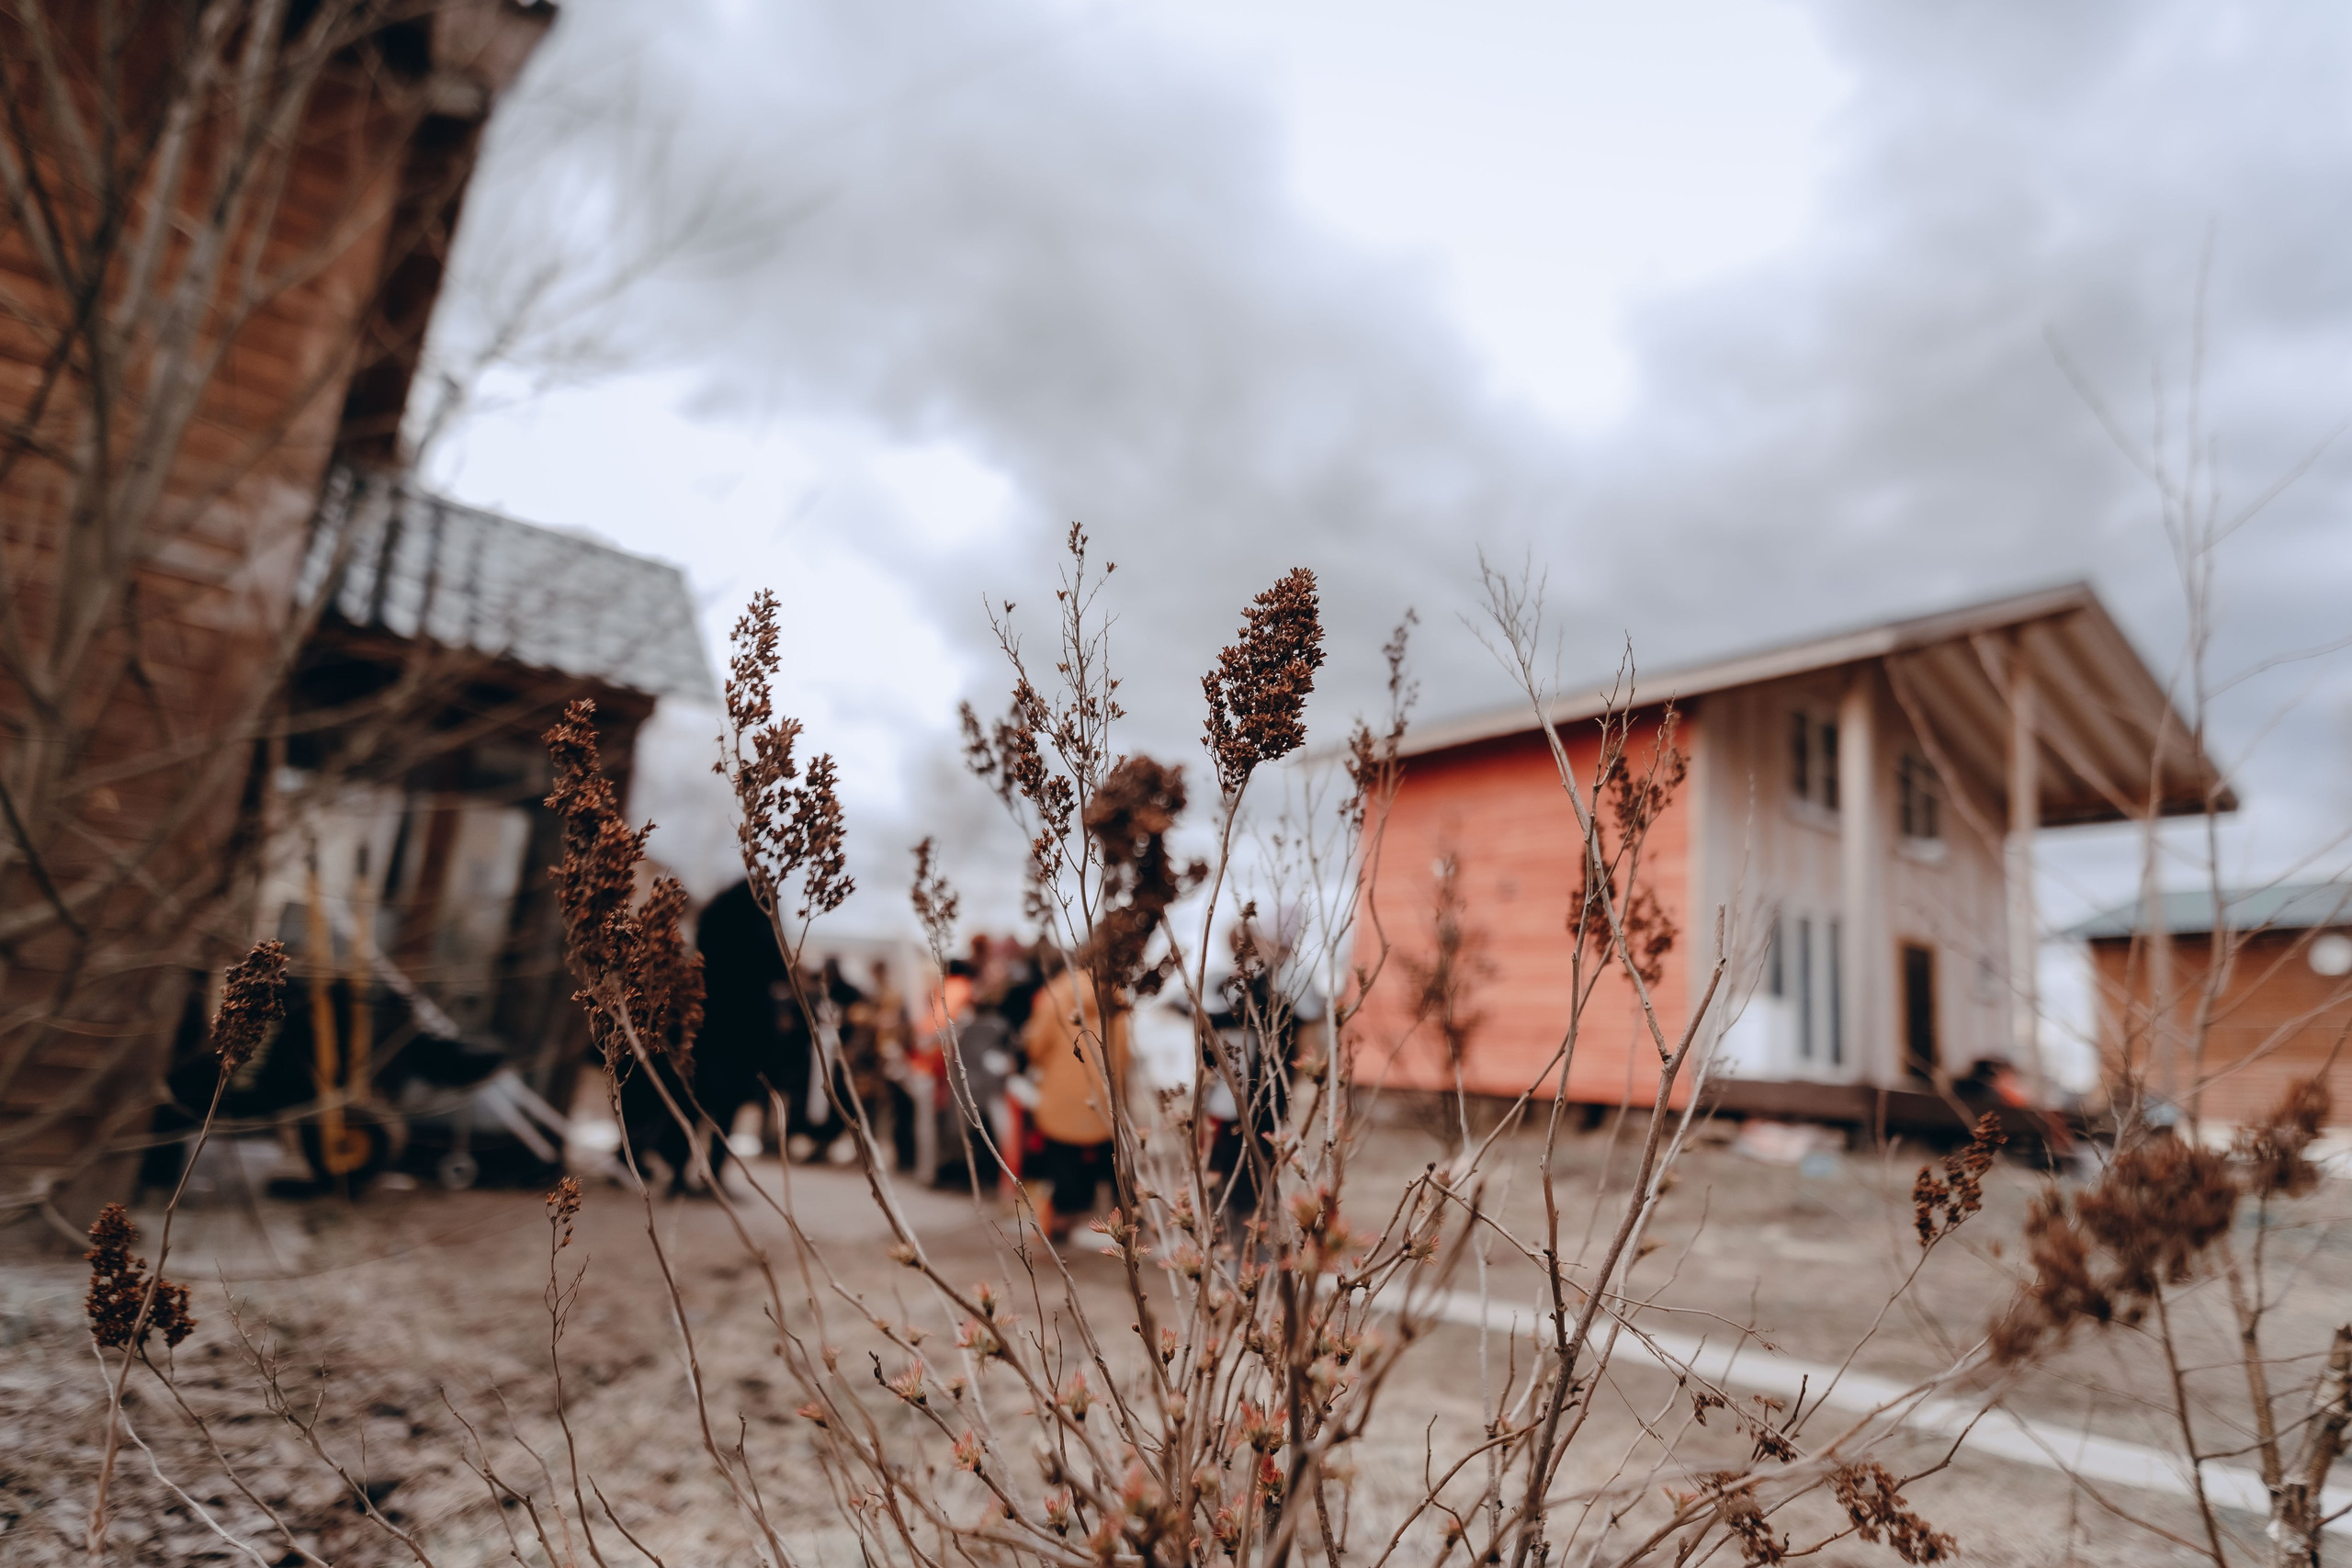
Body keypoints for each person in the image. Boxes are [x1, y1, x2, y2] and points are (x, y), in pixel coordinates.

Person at [1021, 951, 1130, 1243]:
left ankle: (1060, 1223)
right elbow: (1125, 1052)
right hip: (1105, 1097)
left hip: (1061, 1096)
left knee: (1062, 1162)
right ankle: (1128, 1226)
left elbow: (1036, 1047)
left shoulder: (1056, 993)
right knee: (1113, 1165)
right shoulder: (1115, 995)